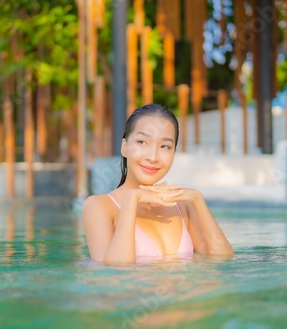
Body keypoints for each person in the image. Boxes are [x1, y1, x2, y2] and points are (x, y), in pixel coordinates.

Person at [83, 104, 233, 263]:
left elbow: (222, 261)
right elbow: (116, 274)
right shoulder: (98, 206)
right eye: (142, 142)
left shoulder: (182, 206)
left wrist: (198, 199)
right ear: (124, 147)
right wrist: (131, 200)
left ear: (174, 153)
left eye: (164, 146)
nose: (153, 156)